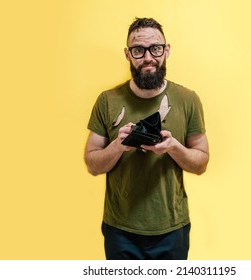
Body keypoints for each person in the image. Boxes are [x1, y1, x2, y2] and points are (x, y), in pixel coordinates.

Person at [84, 17, 209, 260]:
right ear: (127, 54)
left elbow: (201, 163)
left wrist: (173, 147)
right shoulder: (107, 101)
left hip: (172, 230)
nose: (148, 57)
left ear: (167, 50)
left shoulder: (188, 99)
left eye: (156, 48)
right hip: (120, 230)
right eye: (138, 50)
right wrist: (118, 145)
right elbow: (92, 164)